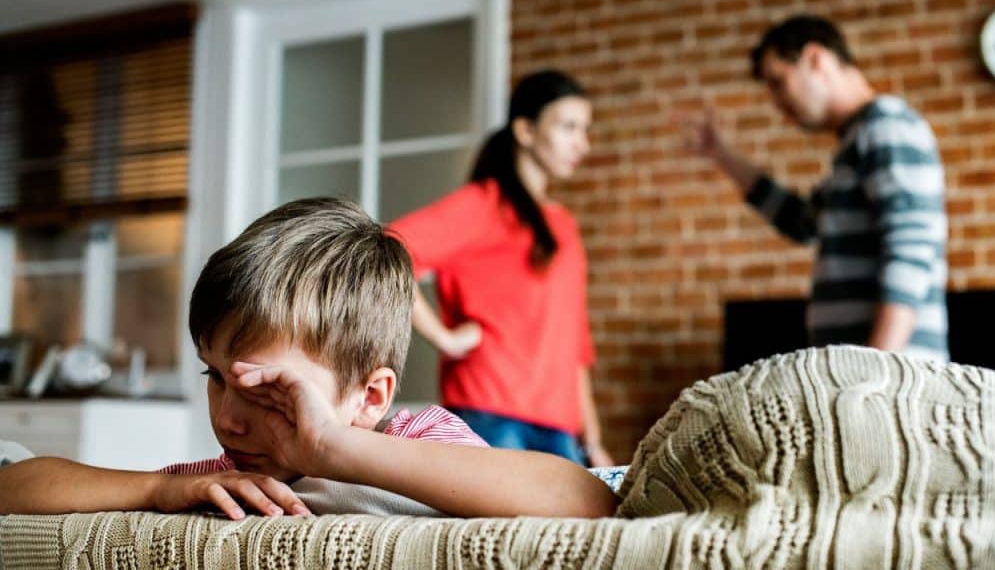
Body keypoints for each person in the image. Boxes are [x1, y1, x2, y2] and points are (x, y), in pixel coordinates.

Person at [0, 198, 618, 520]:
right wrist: (159, 487)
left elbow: (587, 501)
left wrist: (333, 449)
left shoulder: (419, 437)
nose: (229, 419)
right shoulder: (223, 479)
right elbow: (12, 487)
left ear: (371, 397)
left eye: (268, 392)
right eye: (214, 377)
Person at [684, 15, 948, 362]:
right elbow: (803, 222)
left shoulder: (886, 126)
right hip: (869, 379)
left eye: (779, 82)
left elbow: (911, 248)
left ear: (816, 59)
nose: (777, 102)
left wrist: (874, 369)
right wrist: (723, 155)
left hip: (888, 382)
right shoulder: (855, 142)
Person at [389, 70, 614, 467]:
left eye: (586, 129)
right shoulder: (483, 204)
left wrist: (592, 440)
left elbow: (574, 340)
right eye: (568, 127)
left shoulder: (564, 225)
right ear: (525, 130)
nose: (583, 143)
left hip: (561, 430)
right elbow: (388, 248)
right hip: (490, 416)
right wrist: (445, 338)